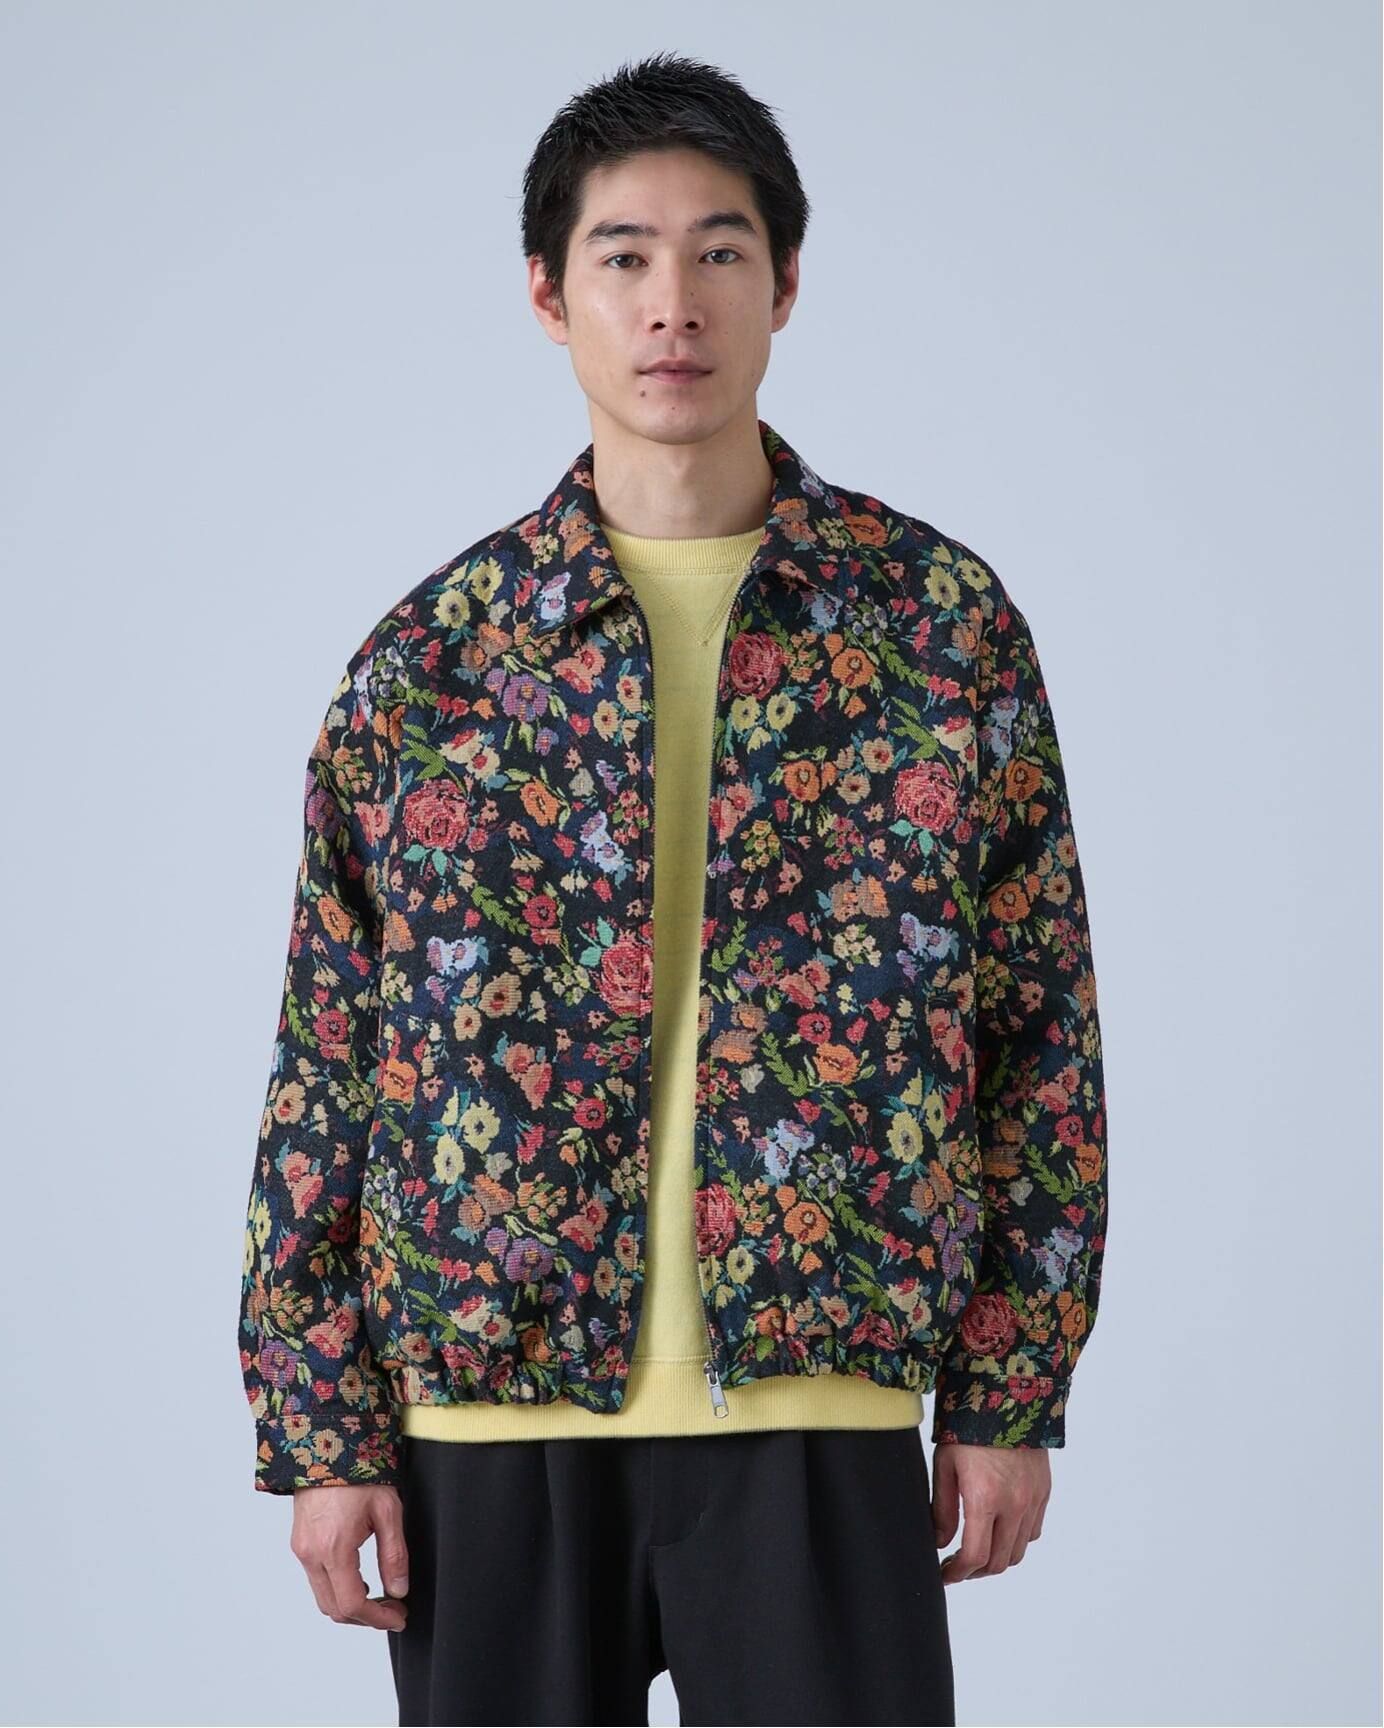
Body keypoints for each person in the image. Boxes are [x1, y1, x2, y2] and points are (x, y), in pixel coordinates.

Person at [236, 51, 1109, 1728]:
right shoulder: (433, 664)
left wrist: (1009, 1387)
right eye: (623, 256)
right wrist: (321, 1427)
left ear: (785, 284)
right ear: (547, 295)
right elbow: (328, 1059)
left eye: (719, 251)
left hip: (820, 1400)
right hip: (487, 1414)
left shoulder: (937, 631)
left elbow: (1038, 1031)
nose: (671, 303)